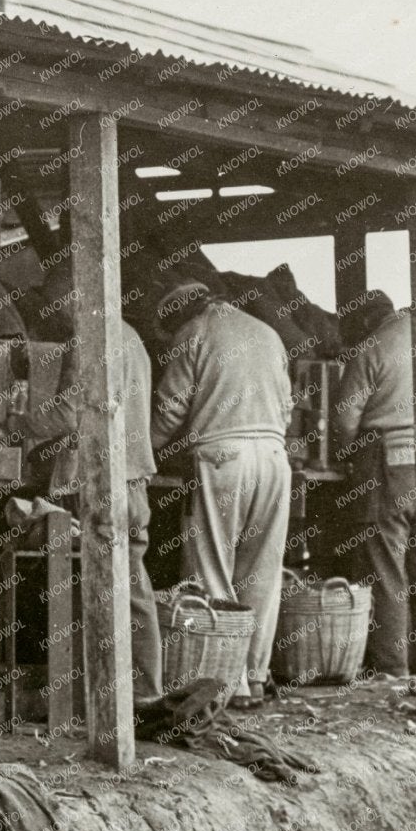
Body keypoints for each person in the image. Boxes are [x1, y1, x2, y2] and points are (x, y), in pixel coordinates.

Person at [150, 281, 293, 705]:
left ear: (179, 314)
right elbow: (287, 407)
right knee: (262, 573)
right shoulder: (268, 333)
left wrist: (140, 456)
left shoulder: (193, 334)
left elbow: (170, 408)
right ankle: (253, 677)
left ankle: (216, 683)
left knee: (210, 567)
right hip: (273, 455)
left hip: (221, 458)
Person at [25, 312, 163, 700]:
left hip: (102, 482)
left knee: (92, 588)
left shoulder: (89, 336)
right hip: (132, 478)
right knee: (133, 590)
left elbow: (70, 414)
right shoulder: (132, 334)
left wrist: (18, 420)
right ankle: (142, 692)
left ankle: (93, 696)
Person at [330, 289, 416, 676]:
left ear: (365, 320)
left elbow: (346, 416)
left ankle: (390, 666)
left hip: (388, 461)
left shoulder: (374, 345)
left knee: (386, 565)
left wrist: (344, 453)